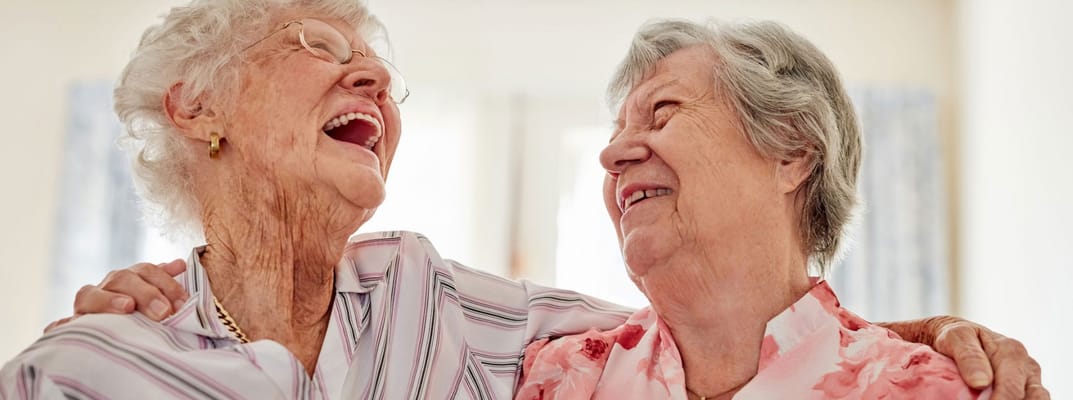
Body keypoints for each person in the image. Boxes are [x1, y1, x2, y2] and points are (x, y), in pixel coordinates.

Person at [4, 2, 1046, 399]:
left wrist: (929, 340)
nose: (369, 79)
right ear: (196, 110)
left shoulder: (438, 303)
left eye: (378, 68)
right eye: (320, 48)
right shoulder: (81, 369)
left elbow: (715, 339)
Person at [512, 20, 1026, 399]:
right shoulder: (555, 378)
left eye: (662, 112)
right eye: (615, 133)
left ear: (791, 151)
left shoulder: (931, 390)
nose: (610, 156)